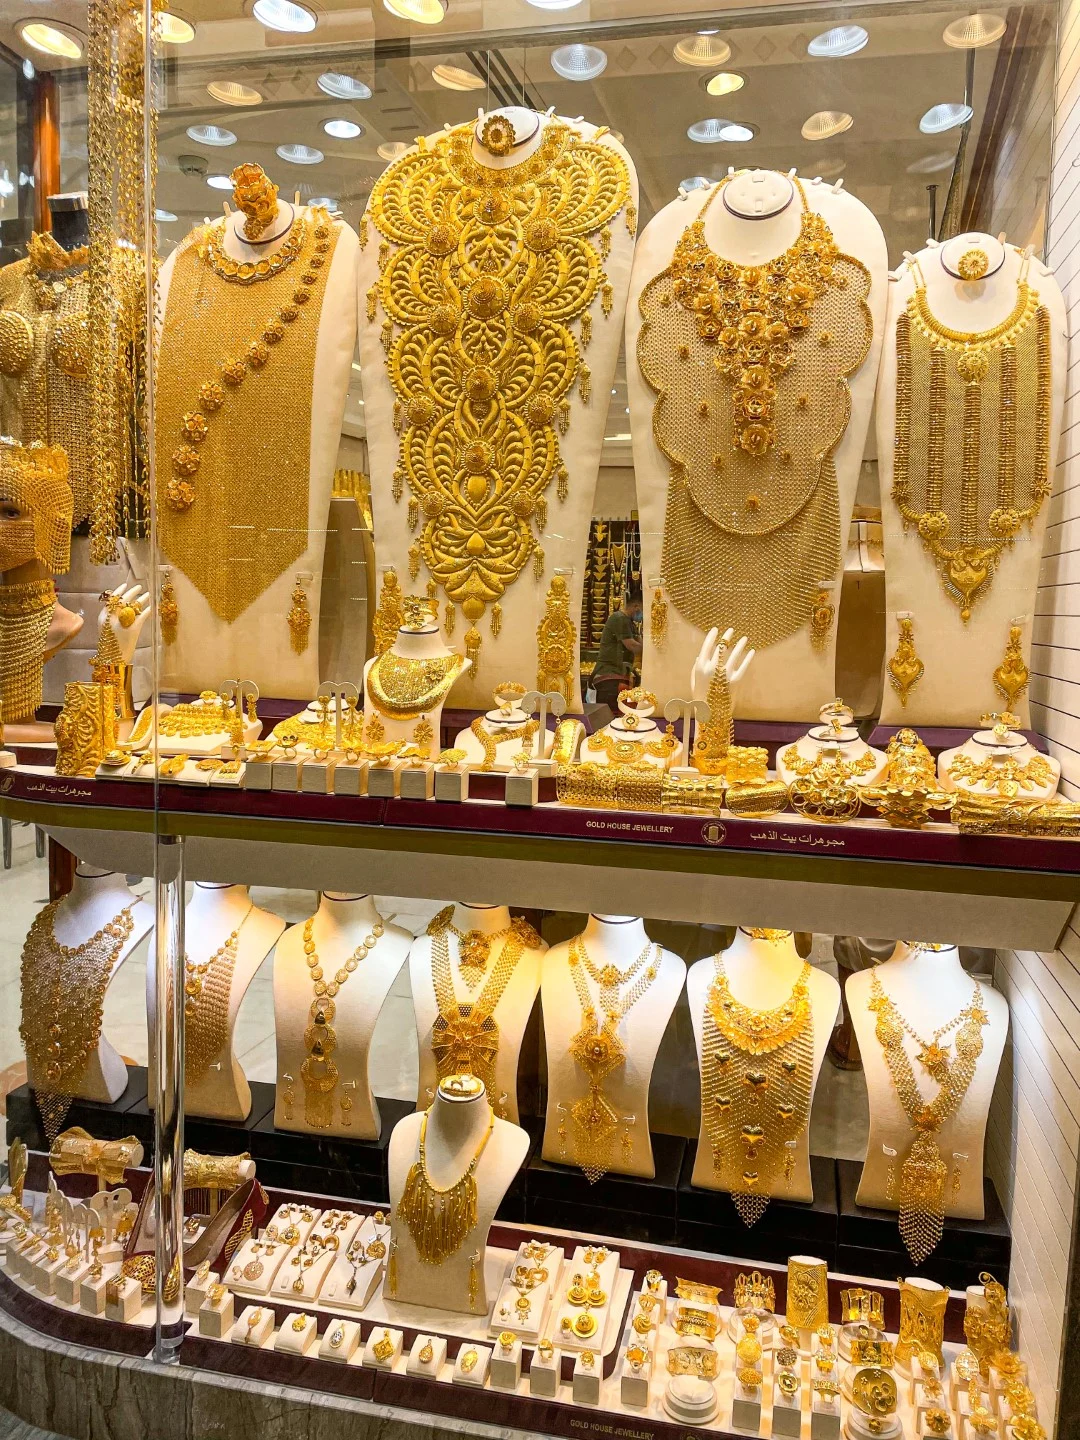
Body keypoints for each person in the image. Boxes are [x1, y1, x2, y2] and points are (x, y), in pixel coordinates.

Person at [591, 584, 643, 712]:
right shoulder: (619, 619)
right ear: (636, 606)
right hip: (609, 677)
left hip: (619, 675)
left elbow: (640, 642)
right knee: (610, 717)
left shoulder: (630, 623)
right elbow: (633, 646)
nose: (643, 614)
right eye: (643, 609)